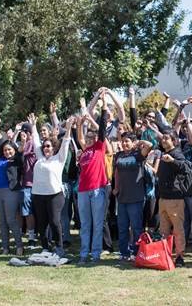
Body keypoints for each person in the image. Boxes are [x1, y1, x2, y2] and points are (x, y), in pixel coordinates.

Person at [76, 90, 112, 264]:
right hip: (83, 191)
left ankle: (95, 254)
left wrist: (103, 103)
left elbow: (103, 126)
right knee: (85, 225)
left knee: (98, 224)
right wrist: (79, 123)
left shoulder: (99, 148)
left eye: (93, 136)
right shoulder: (84, 150)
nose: (89, 138)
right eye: (87, 137)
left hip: (98, 190)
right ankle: (84, 254)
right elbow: (80, 137)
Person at [29, 113, 73, 257]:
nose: (46, 148)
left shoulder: (58, 158)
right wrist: (33, 126)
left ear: (53, 148)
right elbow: (35, 141)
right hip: (38, 195)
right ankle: (45, 247)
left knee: (54, 221)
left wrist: (69, 128)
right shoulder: (40, 157)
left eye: (48, 146)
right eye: (44, 146)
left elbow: (66, 142)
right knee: (41, 223)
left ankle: (59, 247)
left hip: (55, 195)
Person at [112, 131, 152, 261]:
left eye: (127, 141)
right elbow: (116, 172)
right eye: (123, 141)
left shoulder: (138, 155)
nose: (124, 143)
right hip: (122, 197)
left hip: (136, 198)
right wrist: (116, 187)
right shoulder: (118, 155)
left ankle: (137, 252)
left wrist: (138, 143)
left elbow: (150, 145)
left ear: (133, 143)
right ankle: (124, 252)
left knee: (136, 228)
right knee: (122, 227)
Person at [157, 130, 192, 267]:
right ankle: (165, 254)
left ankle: (179, 256)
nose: (163, 140)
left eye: (167, 138)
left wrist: (173, 161)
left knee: (178, 229)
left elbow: (185, 167)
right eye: (163, 138)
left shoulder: (176, 153)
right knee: (164, 230)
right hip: (163, 198)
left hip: (175, 199)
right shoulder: (164, 153)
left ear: (174, 141)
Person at [0, 117, 24, 255]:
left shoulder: (16, 160)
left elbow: (19, 147)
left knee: (11, 219)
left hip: (11, 192)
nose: (7, 152)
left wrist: (16, 133)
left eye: (10, 150)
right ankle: (5, 247)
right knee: (2, 221)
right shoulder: (0, 158)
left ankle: (19, 246)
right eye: (5, 150)